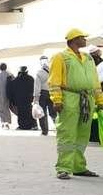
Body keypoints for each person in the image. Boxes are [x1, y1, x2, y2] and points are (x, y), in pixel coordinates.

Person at [48, 29, 103, 180]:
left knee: (82, 136)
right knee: (67, 134)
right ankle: (63, 168)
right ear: (73, 40)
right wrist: (57, 100)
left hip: (87, 99)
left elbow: (95, 82)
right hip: (69, 99)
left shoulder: (88, 58)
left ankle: (78, 167)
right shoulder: (60, 57)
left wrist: (100, 101)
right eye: (82, 38)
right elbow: (54, 81)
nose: (85, 40)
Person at [34, 56, 55, 136]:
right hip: (53, 92)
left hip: (43, 94)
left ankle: (44, 131)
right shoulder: (53, 71)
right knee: (53, 112)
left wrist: (35, 98)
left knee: (42, 113)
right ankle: (58, 127)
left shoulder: (39, 72)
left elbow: (37, 86)